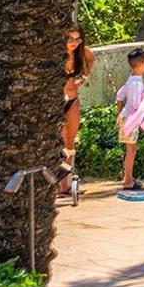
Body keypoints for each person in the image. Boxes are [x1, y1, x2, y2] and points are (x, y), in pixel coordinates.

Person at [114, 49, 144, 190]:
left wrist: (121, 114)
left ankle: (128, 178)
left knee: (129, 149)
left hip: (125, 117)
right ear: (143, 63)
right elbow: (138, 106)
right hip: (131, 120)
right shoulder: (137, 82)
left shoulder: (130, 79)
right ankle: (128, 181)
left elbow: (119, 96)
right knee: (131, 150)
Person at [59, 28, 93, 196]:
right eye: (70, 39)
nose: (74, 43)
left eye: (78, 40)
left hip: (72, 100)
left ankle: (64, 184)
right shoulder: (57, 54)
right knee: (57, 140)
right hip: (56, 102)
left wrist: (79, 81)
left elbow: (88, 67)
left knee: (70, 140)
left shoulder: (84, 53)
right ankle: (54, 182)